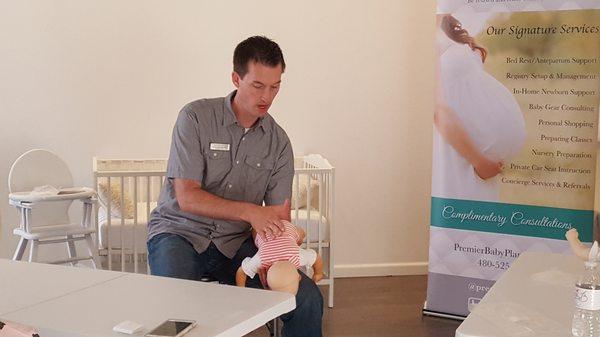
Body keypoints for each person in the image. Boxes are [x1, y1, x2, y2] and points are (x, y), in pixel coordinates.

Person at [146, 36, 323, 337]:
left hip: (236, 245)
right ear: (236, 78)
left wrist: (275, 256)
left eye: (275, 86)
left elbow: (278, 218)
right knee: (176, 314)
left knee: (306, 299)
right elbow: (187, 198)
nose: (267, 95)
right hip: (178, 233)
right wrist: (251, 212)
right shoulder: (195, 118)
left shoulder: (279, 143)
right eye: (258, 85)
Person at [432, 15, 526, 201]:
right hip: (458, 155)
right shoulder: (426, 33)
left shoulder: (445, 27)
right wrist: (479, 161)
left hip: (472, 161)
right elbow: (437, 109)